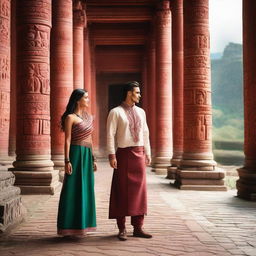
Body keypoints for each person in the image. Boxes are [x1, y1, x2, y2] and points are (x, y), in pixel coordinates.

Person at [106, 81, 152, 241]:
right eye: (137, 92)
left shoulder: (141, 112)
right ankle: (122, 228)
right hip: (123, 155)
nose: (139, 95)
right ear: (128, 93)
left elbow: (145, 132)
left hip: (139, 153)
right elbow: (110, 135)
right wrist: (112, 155)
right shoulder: (115, 112)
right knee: (121, 191)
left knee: (140, 191)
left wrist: (148, 152)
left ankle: (138, 227)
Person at [57, 88, 97, 237]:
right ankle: (68, 226)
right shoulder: (70, 118)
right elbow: (67, 140)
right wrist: (67, 160)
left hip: (86, 155)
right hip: (75, 154)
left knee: (86, 188)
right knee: (72, 188)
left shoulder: (88, 117)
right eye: (85, 97)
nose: (88, 100)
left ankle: (84, 224)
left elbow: (90, 139)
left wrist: (93, 158)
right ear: (78, 100)